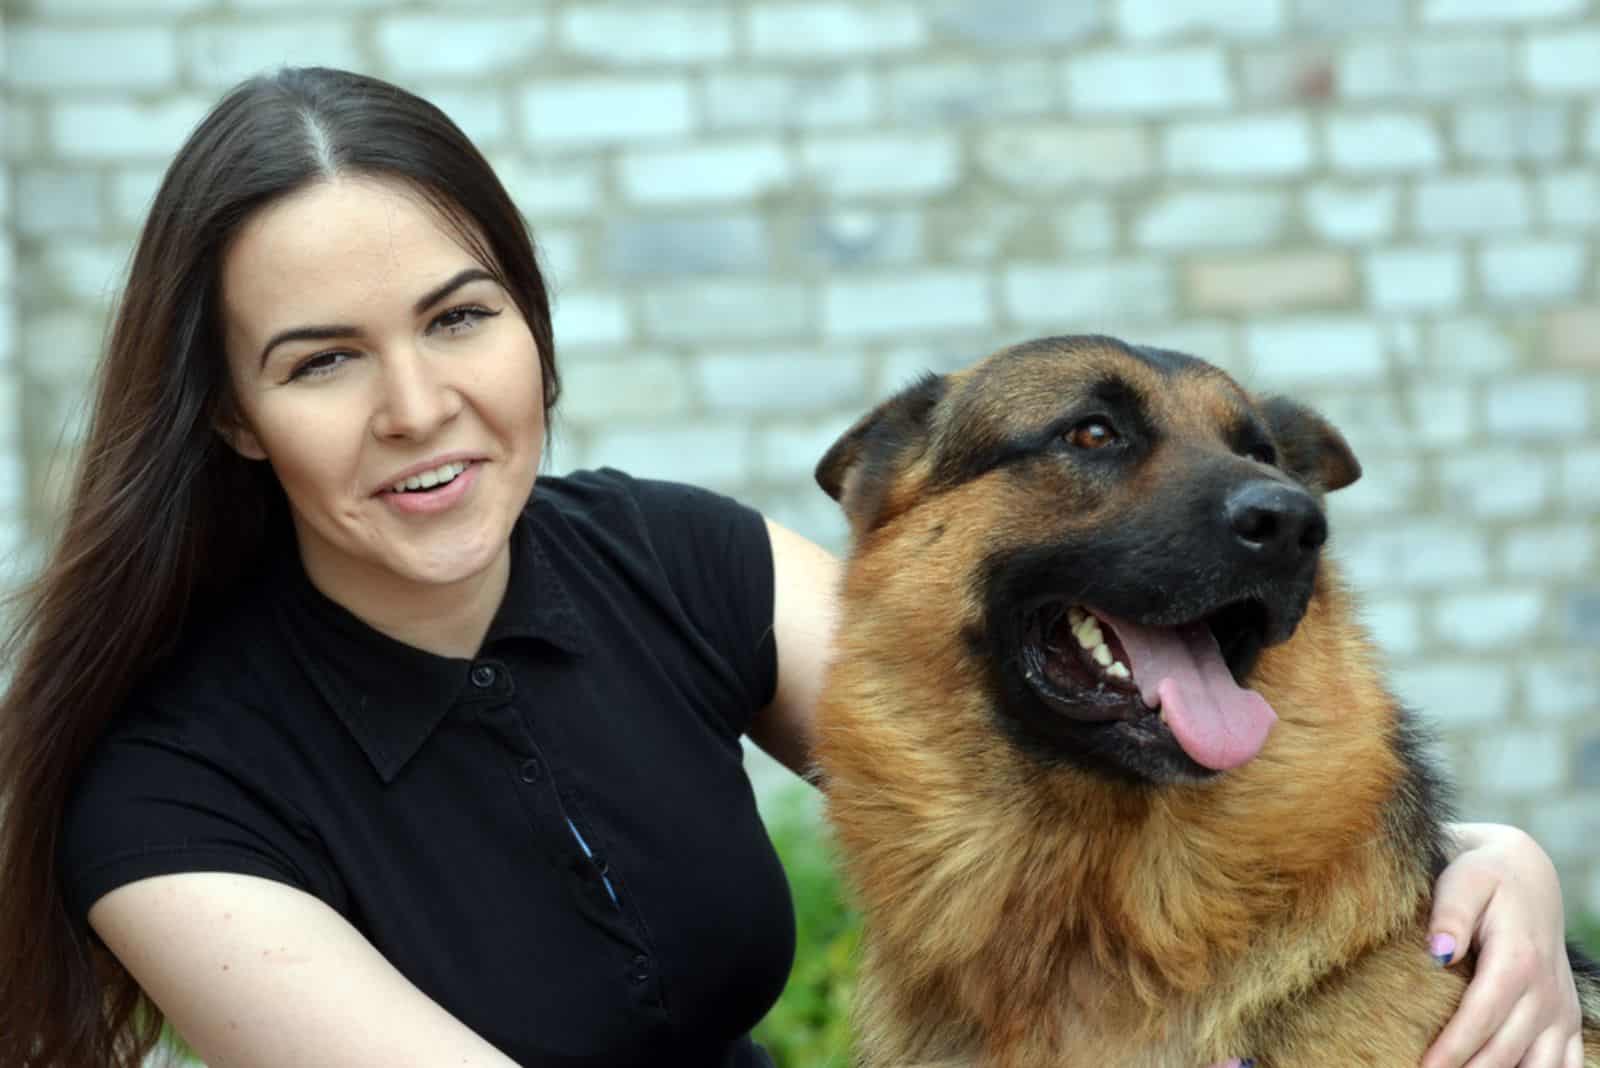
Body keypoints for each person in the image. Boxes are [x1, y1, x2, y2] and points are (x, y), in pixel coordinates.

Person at [0, 67, 1583, 1068]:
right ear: (232, 415)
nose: (422, 406)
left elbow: (1032, 746)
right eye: (323, 358)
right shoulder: (163, 803)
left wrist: (1484, 860)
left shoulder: (670, 560)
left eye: (461, 317)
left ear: (534, 328)